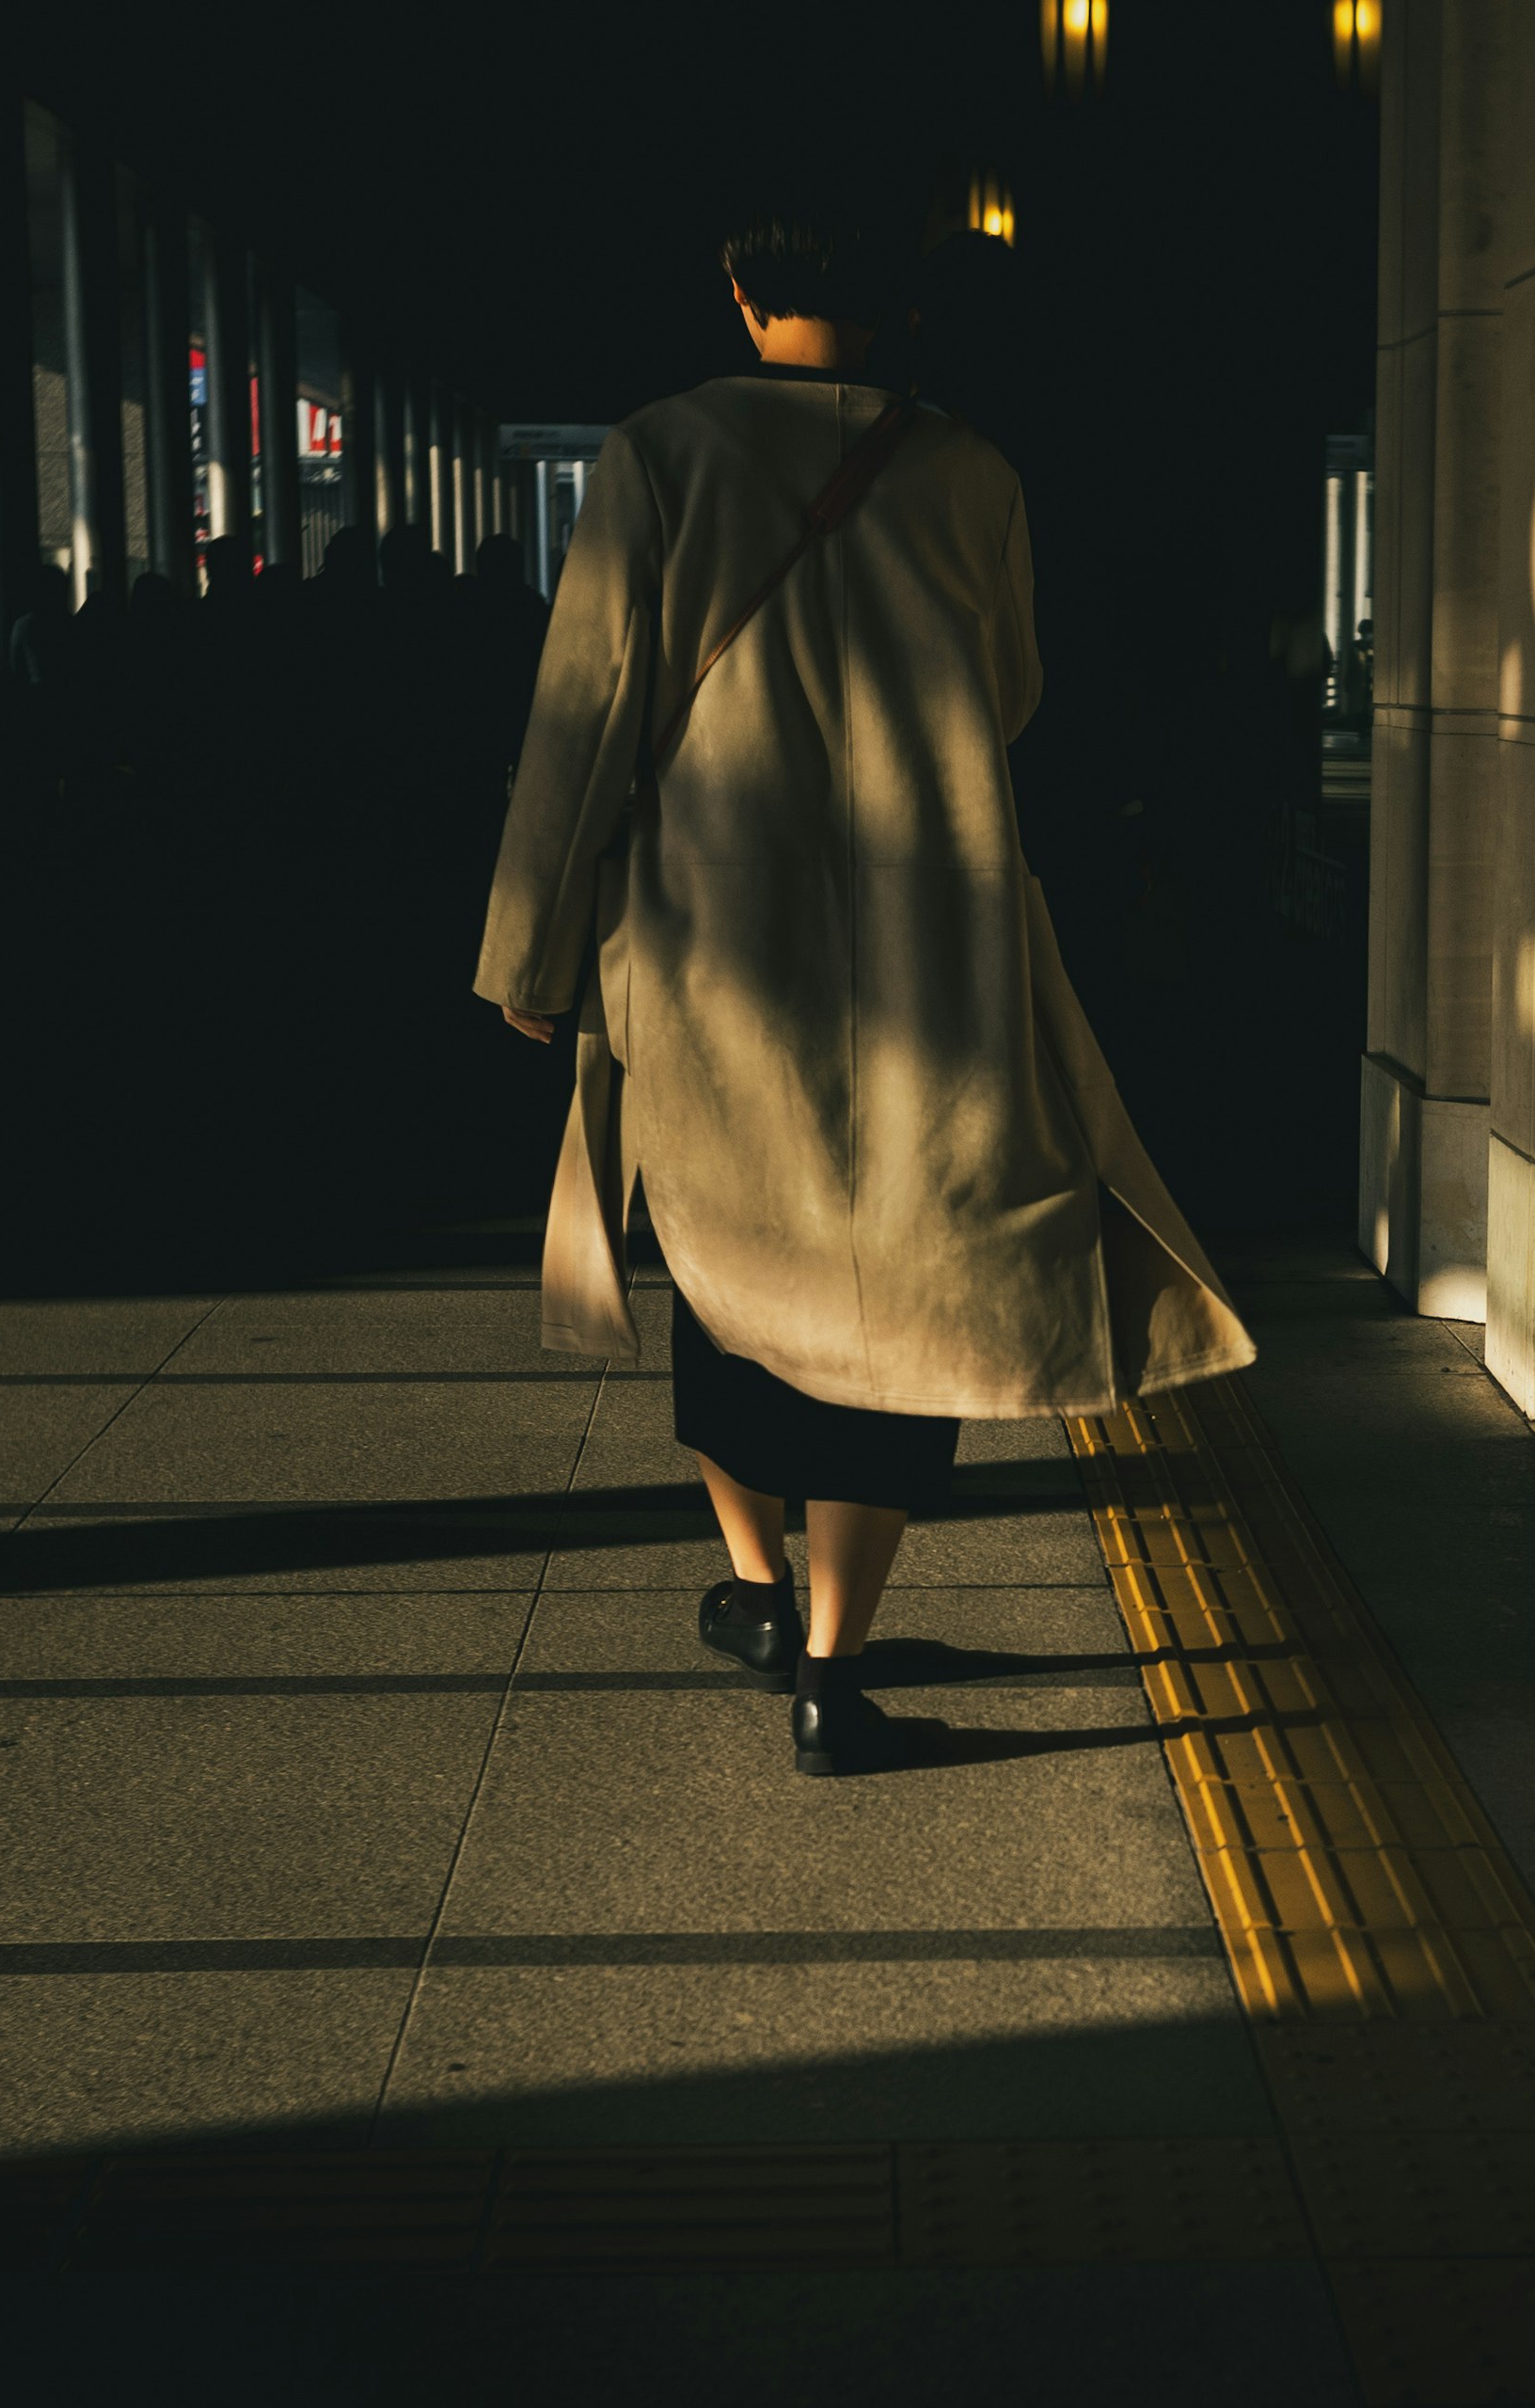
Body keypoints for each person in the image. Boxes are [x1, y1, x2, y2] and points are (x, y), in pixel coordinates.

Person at [474, 203, 1255, 1778]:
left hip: (712, 951)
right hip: (930, 946)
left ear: (740, 289)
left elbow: (586, 720)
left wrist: (528, 954)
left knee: (726, 1257)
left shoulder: (658, 454)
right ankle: (834, 1667)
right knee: (906, 1288)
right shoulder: (972, 473)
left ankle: (757, 1589)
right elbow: (1013, 692)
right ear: (897, 310)